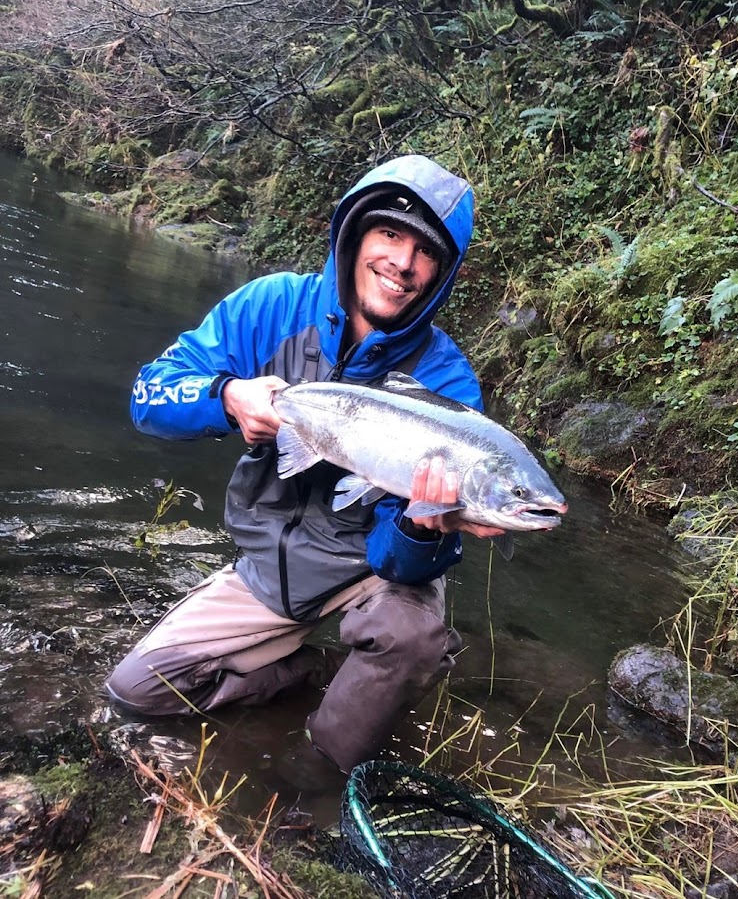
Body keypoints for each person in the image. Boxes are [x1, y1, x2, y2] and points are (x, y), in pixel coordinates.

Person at [106, 154, 504, 774]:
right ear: (356, 237)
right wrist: (225, 397)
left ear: (442, 271)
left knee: (410, 633)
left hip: (365, 567)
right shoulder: (270, 308)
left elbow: (398, 561)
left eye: (426, 251)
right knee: (137, 691)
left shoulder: (447, 386)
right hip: (270, 566)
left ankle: (317, 778)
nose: (403, 263)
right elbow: (148, 397)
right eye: (390, 235)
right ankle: (304, 674)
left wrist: (424, 527)